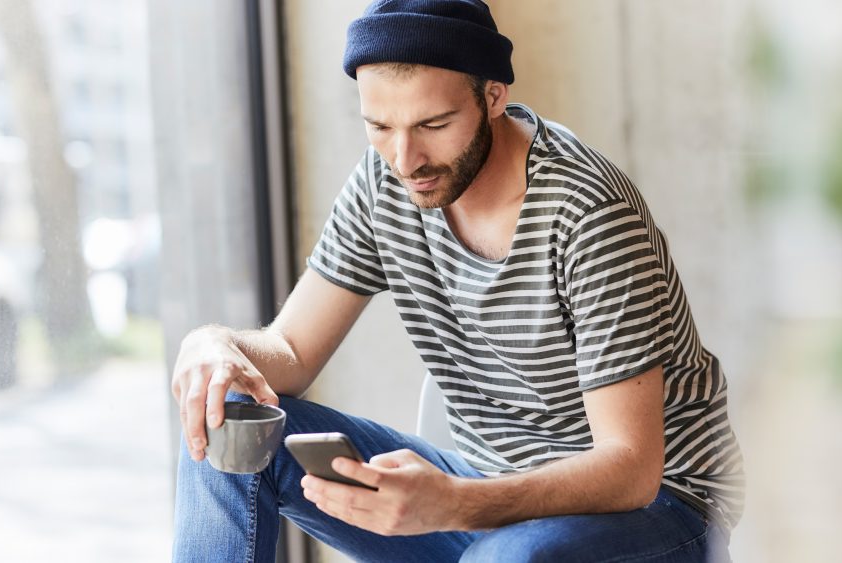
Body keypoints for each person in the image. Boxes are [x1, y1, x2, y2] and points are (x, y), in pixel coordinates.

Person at [170, 1, 745, 561]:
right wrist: (215, 345)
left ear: (494, 95)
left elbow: (630, 469)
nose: (405, 159)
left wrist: (455, 505)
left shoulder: (586, 212)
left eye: (433, 124)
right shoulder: (385, 182)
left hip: (659, 510)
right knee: (227, 423)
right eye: (379, 126)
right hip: (484, 490)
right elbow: (291, 352)